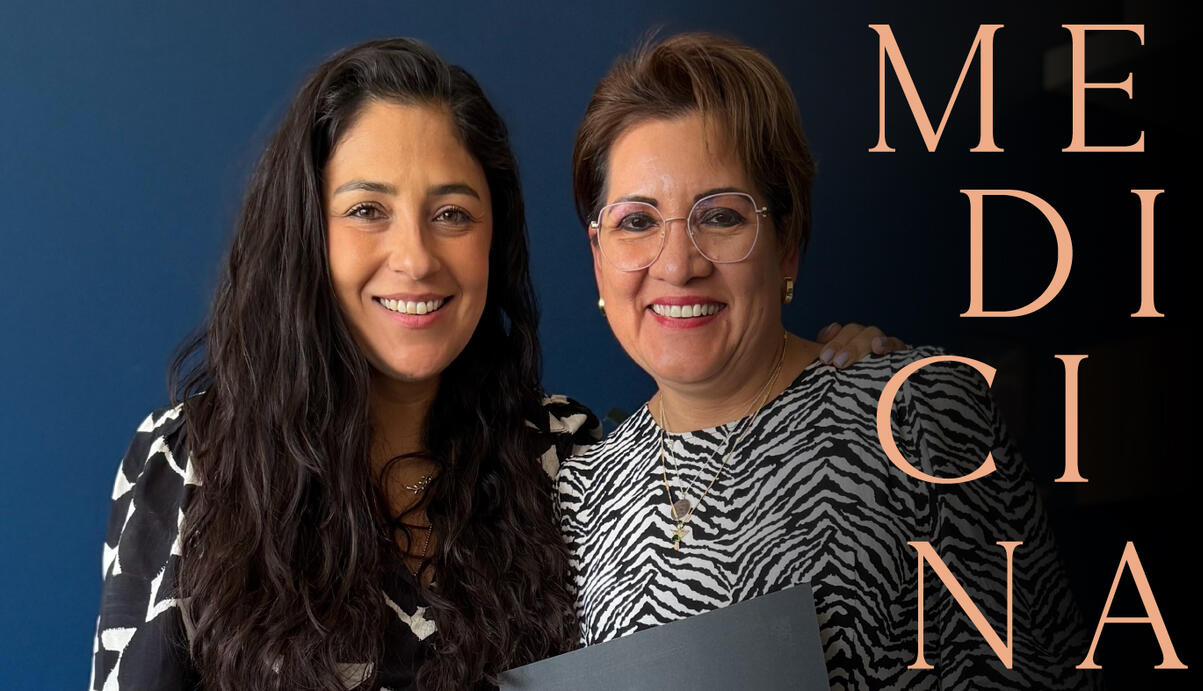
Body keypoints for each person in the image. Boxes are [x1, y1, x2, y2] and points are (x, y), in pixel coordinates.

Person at [90, 38, 896, 690]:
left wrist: (841, 380)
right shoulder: (192, 460)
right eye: (367, 209)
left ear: (493, 240)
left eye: (452, 213)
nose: (416, 257)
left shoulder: (565, 455)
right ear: (306, 235)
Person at [560, 33, 1097, 690]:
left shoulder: (918, 415)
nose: (678, 264)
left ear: (786, 242)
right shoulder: (579, 494)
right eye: (637, 222)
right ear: (599, 257)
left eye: (721, 216)